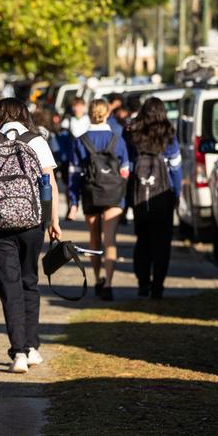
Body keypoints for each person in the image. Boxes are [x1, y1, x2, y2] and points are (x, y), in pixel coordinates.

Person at [0, 98, 61, 373]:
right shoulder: (36, 141)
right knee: (29, 281)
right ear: (24, 113)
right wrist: (53, 221)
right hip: (32, 225)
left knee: (9, 287)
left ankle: (19, 353)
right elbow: (51, 183)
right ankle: (33, 346)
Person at [67, 99, 129, 301]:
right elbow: (125, 171)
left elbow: (74, 175)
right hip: (113, 195)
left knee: (94, 240)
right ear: (107, 114)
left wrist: (73, 202)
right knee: (110, 240)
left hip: (91, 193)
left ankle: (97, 278)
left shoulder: (80, 141)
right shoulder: (117, 140)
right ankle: (109, 283)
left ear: (90, 114)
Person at [127, 97, 182, 299]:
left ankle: (143, 283)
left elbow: (129, 165)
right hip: (162, 195)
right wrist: (176, 193)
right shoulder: (168, 134)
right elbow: (175, 167)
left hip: (140, 195)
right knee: (162, 242)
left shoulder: (133, 133)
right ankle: (157, 285)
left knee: (143, 240)